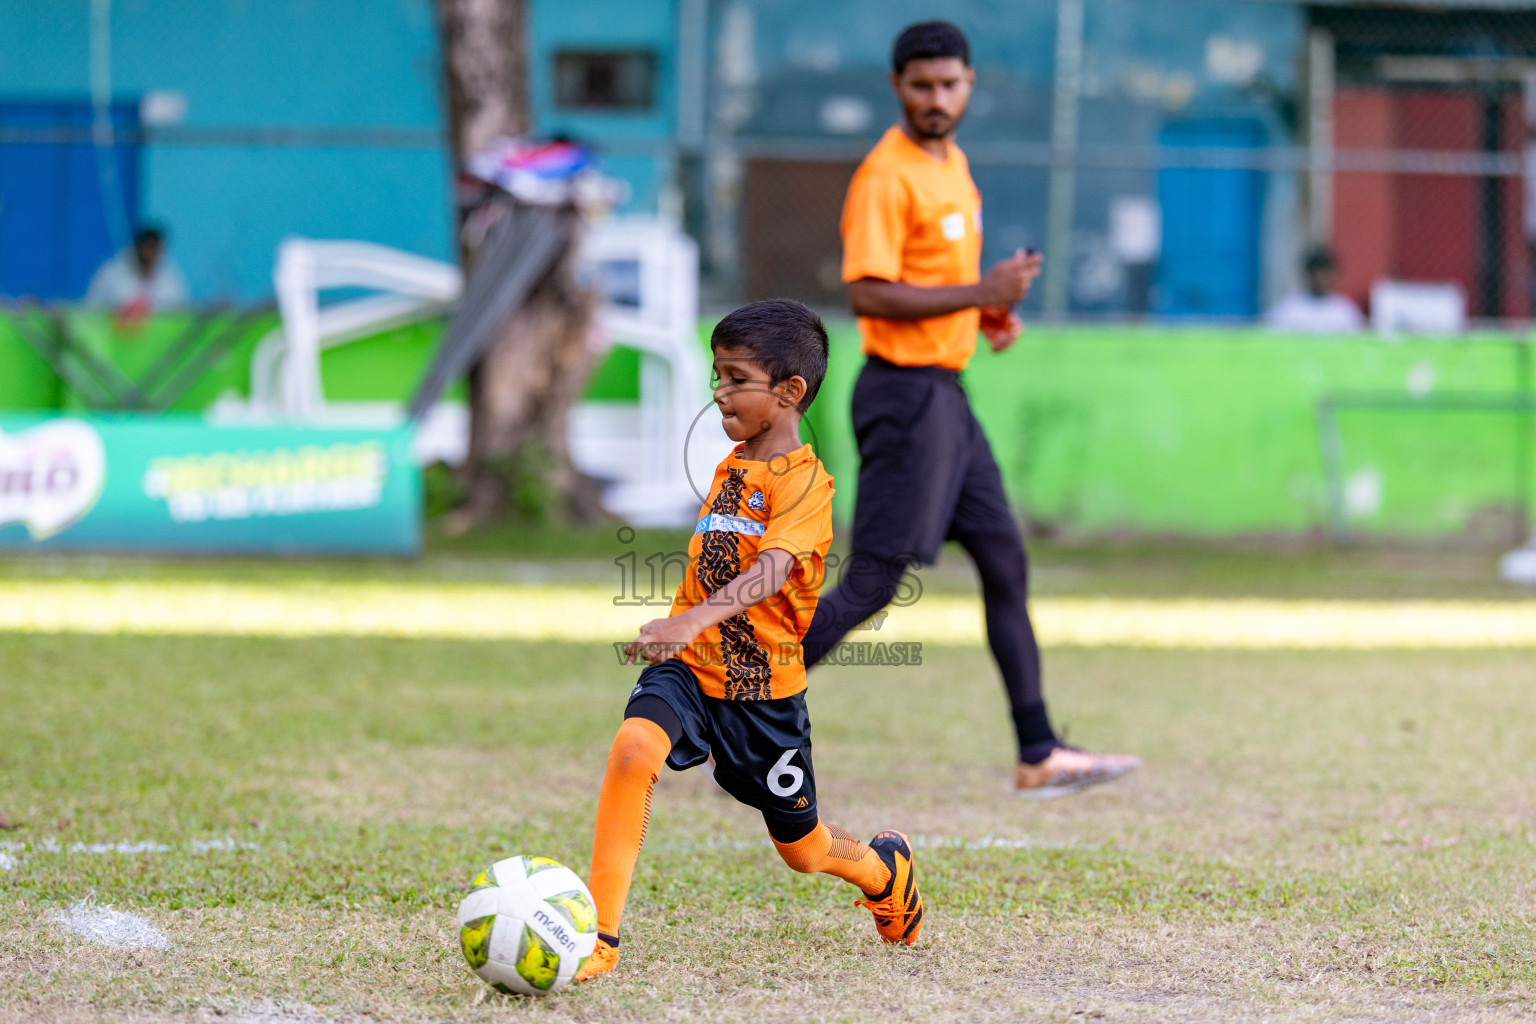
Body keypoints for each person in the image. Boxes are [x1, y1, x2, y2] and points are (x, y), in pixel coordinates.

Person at [802, 21, 1139, 797]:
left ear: (969, 85)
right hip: (903, 396)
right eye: (921, 86)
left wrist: (983, 316)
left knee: (1003, 558)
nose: (936, 99)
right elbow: (868, 290)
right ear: (897, 86)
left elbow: (932, 283)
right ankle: (729, 710)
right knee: (874, 584)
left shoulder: (952, 166)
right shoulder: (886, 176)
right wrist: (981, 292)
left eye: (949, 85)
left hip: (948, 395)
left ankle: (1038, 751)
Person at [575, 299, 925, 982]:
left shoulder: (807, 485)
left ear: (789, 391)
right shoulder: (731, 466)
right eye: (717, 373)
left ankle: (886, 873)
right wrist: (685, 636)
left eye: (735, 377)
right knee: (634, 746)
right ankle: (599, 939)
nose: (718, 390)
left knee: (804, 849)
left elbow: (771, 571)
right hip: (691, 671)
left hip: (765, 700)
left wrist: (689, 618)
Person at [83, 225, 190, 323]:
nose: (150, 255)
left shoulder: (171, 279)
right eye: (147, 248)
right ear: (137, 247)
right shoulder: (111, 274)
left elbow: (179, 315)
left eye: (155, 249)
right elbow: (91, 310)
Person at [1265, 247, 1364, 334]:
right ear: (1306, 275)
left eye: (1325, 275)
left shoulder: (1345, 312)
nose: (1320, 280)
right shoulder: (1288, 310)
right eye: (1315, 274)